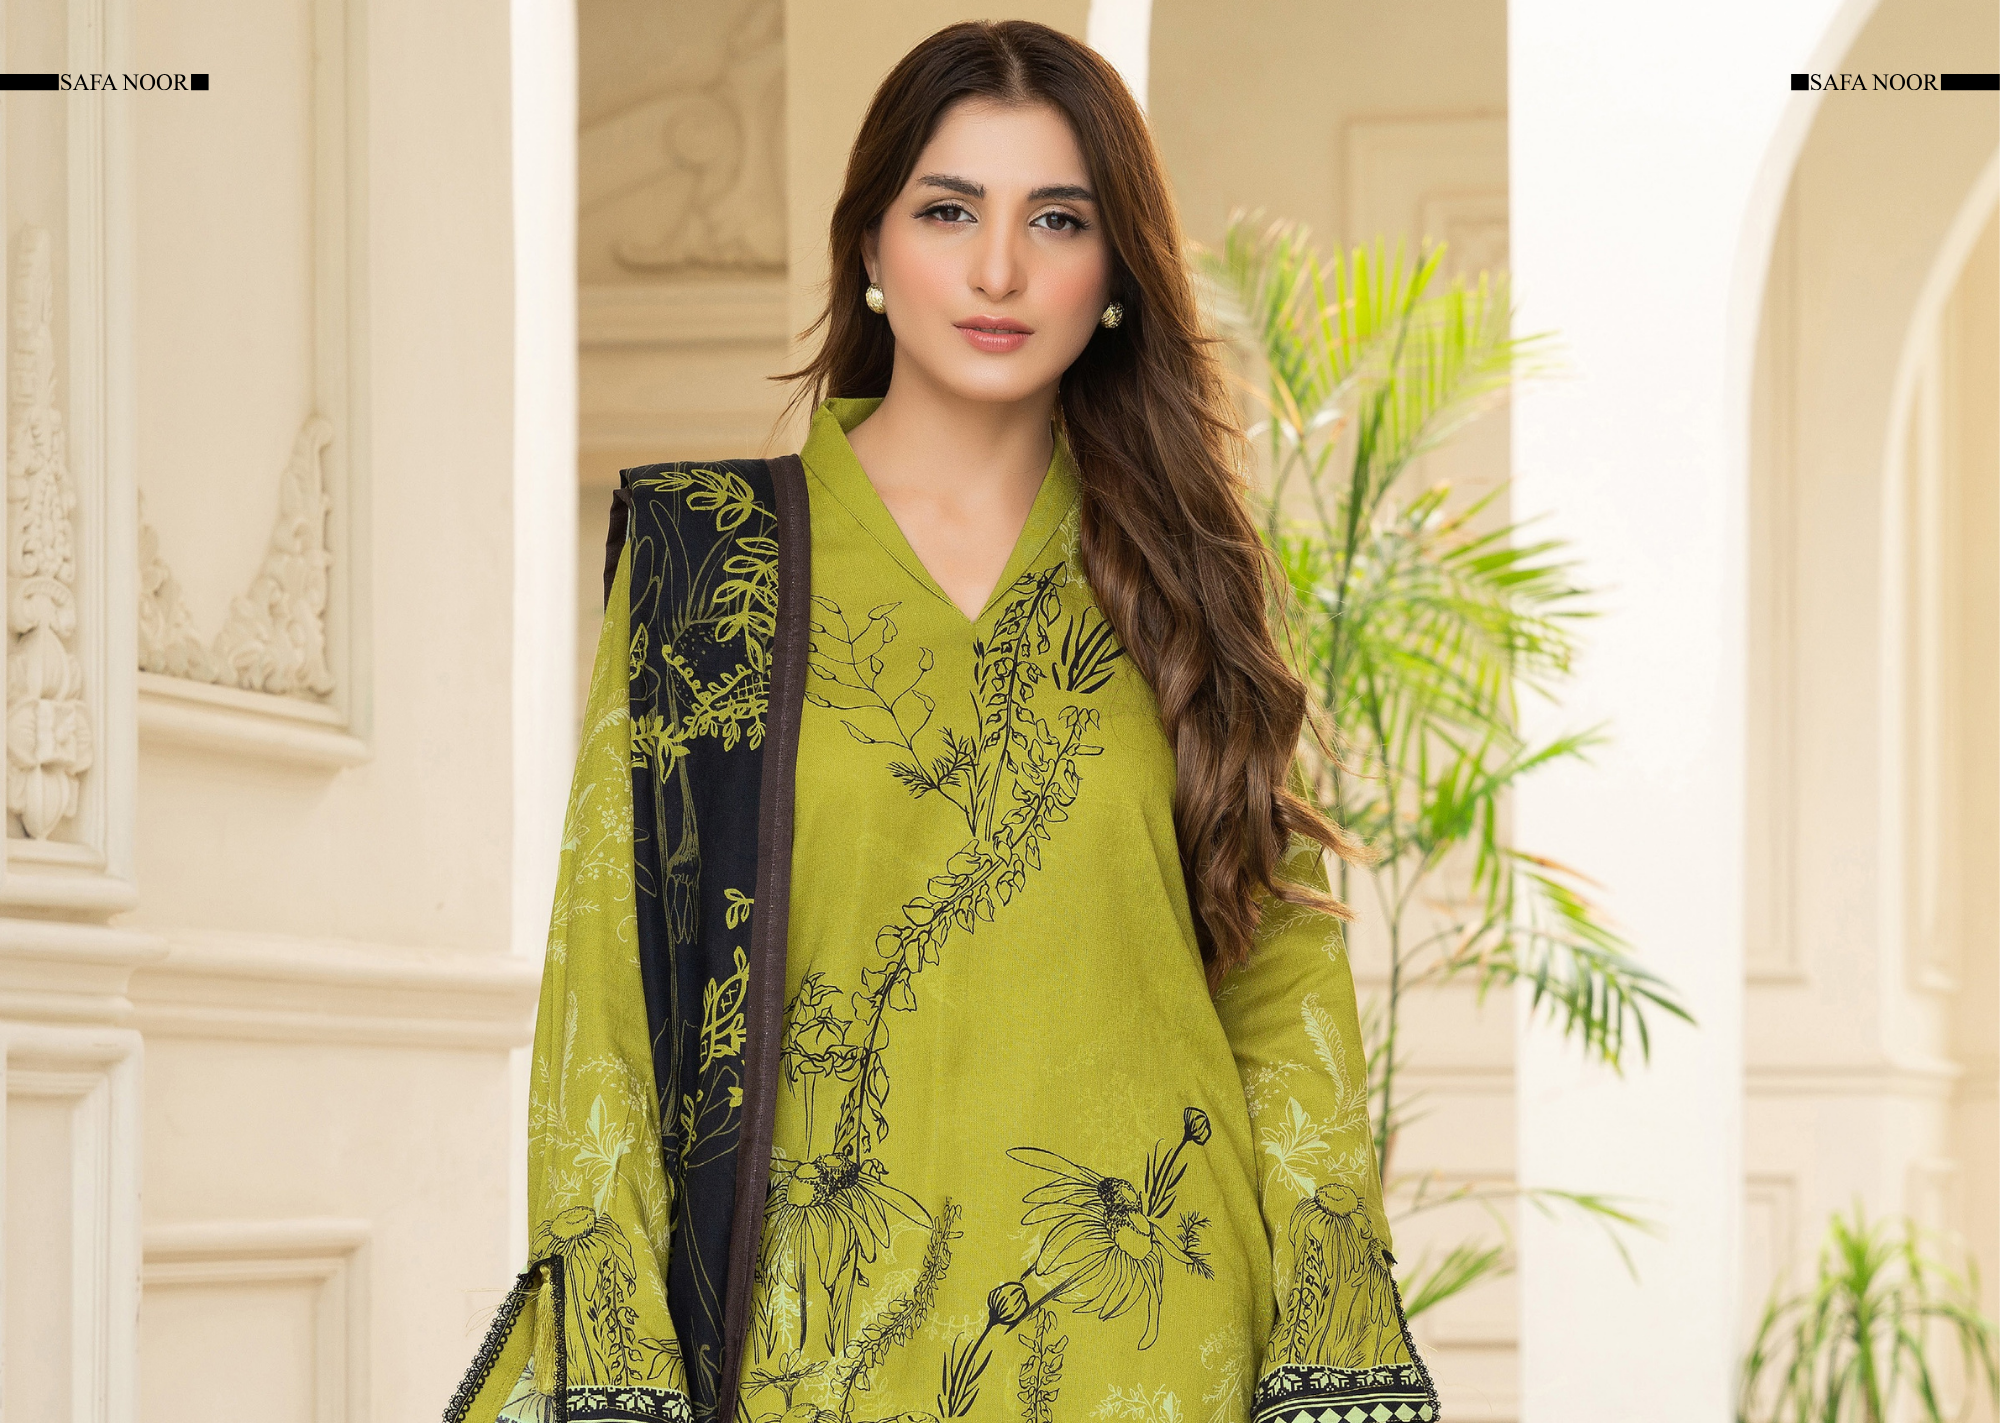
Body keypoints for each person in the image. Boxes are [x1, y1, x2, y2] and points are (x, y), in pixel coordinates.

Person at [446, 19, 1439, 1423]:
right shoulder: (715, 563)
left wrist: (1326, 1349)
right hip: (808, 1354)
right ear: (869, 243)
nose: (998, 269)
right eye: (950, 210)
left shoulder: (1183, 580)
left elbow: (1279, 997)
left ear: (1116, 274)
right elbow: (608, 995)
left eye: (1058, 219)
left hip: (1156, 1353)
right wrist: (617, 1360)